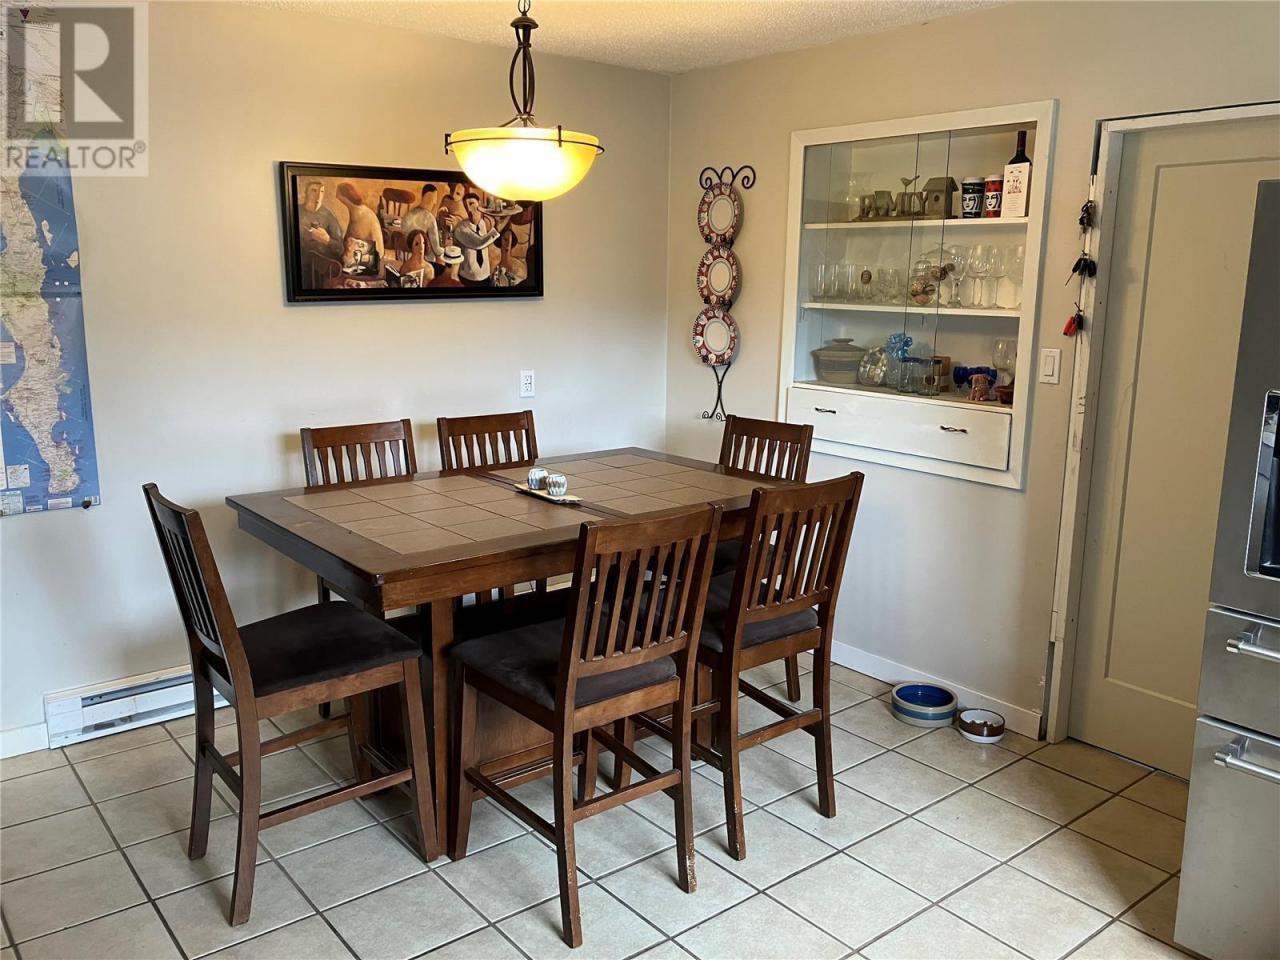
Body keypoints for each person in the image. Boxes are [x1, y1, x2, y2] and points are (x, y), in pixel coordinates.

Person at [453, 192, 500, 284]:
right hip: (467, 279)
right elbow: (479, 243)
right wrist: (498, 227)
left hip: (485, 276)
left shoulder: (484, 223)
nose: (469, 209)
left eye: (471, 204)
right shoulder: (461, 229)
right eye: (466, 206)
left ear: (479, 203)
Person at [336, 181, 385, 261]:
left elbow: (379, 251)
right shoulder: (348, 213)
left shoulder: (364, 214)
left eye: (338, 197)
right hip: (354, 254)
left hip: (368, 257)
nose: (337, 199)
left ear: (345, 198)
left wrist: (358, 257)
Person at [297, 180, 343, 260]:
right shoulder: (297, 211)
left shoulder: (328, 216)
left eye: (321, 191)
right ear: (306, 192)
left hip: (321, 263)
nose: (318, 196)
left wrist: (326, 240)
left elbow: (340, 249)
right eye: (314, 191)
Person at [400, 185, 445, 265]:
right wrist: (445, 250)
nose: (434, 203)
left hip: (404, 258)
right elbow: (437, 249)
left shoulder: (408, 214)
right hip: (421, 260)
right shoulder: (430, 218)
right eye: (433, 200)